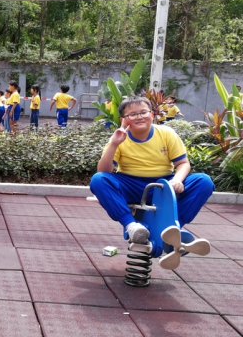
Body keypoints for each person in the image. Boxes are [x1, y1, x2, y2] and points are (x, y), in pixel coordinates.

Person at [89, 95, 214, 245]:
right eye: (132, 114)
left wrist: (177, 180)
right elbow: (104, 171)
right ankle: (131, 226)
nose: (139, 117)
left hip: (163, 185)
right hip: (131, 185)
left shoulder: (166, 133)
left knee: (204, 181)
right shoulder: (119, 138)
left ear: (152, 114)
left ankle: (174, 228)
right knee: (98, 180)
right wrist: (114, 144)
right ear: (123, 119)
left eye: (143, 112)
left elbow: (183, 163)